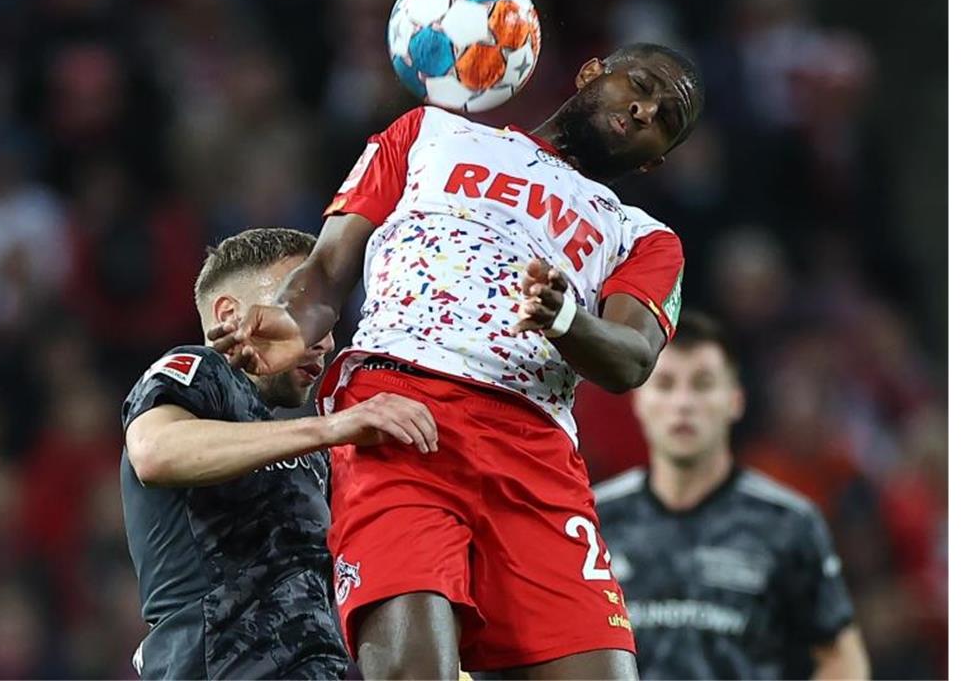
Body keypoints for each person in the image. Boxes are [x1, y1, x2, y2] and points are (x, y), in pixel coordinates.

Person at [209, 43, 703, 679]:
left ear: (657, 159)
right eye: (639, 85)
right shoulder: (429, 133)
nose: (643, 109)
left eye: (665, 118)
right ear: (591, 75)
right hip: (399, 415)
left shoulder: (643, 238)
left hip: (536, 454)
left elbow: (631, 359)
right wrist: (290, 320)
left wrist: (564, 319)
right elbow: (328, 270)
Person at [120, 227, 438, 680]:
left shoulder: (306, 446)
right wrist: (329, 429)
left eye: (323, 316)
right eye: (298, 309)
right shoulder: (199, 374)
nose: (324, 341)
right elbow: (154, 451)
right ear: (230, 314)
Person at [593, 311, 871, 680]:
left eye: (703, 384)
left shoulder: (787, 522)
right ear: (638, 401)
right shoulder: (592, 520)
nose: (683, 403)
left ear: (735, 401)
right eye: (665, 385)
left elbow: (841, 657)